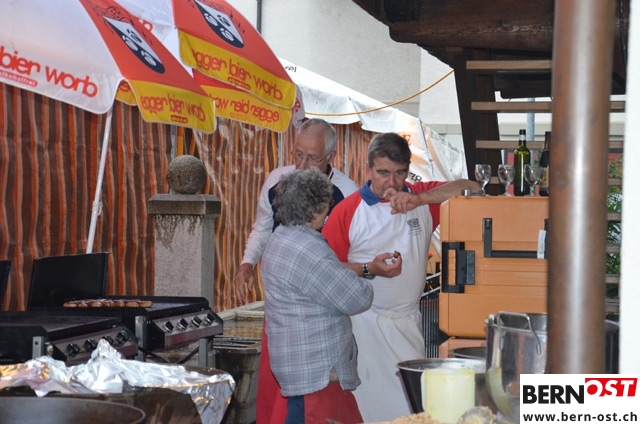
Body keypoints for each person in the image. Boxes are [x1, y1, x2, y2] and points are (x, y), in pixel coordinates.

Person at [322, 132, 480, 422]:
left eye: (399, 173)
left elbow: (471, 188)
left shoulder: (422, 200)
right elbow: (325, 270)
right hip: (364, 327)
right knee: (370, 410)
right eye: (383, 173)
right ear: (368, 169)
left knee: (412, 407)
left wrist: (419, 199)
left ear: (408, 170)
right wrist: (369, 268)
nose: (392, 183)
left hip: (408, 323)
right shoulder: (348, 210)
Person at [234, 118, 358, 424]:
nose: (301, 165)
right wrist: (247, 263)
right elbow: (262, 229)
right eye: (297, 154)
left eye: (311, 158)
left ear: (330, 156)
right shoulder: (277, 181)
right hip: (285, 305)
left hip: (327, 304)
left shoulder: (347, 193)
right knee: (275, 385)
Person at [261, 167, 373, 424]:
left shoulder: (280, 237)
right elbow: (358, 298)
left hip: (299, 364)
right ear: (313, 211)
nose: (329, 211)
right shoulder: (308, 249)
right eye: (326, 205)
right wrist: (366, 272)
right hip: (317, 369)